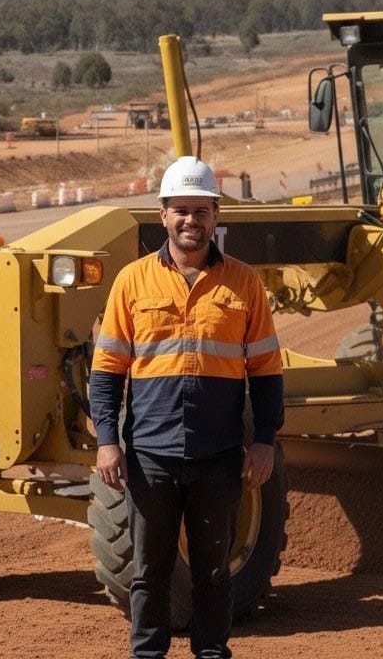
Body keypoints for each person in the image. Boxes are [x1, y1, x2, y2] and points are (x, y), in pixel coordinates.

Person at [89, 155, 285, 659]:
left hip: (218, 456)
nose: (191, 221)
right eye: (181, 210)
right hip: (150, 457)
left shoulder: (245, 284)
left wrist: (264, 442)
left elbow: (266, 374)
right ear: (164, 214)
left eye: (201, 211)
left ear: (216, 216)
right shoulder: (132, 283)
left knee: (213, 573)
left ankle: (212, 654)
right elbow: (107, 371)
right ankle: (147, 655)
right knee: (149, 573)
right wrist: (108, 442)